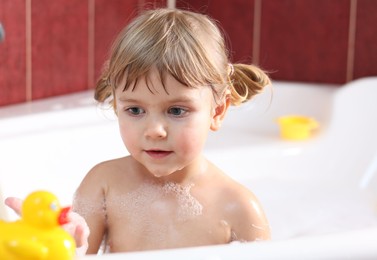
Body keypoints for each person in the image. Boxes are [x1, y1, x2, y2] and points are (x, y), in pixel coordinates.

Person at [6, 8, 271, 254]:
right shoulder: (104, 186)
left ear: (218, 110)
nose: (154, 130)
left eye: (176, 111)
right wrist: (63, 242)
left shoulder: (239, 209)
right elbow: (79, 252)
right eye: (135, 110)